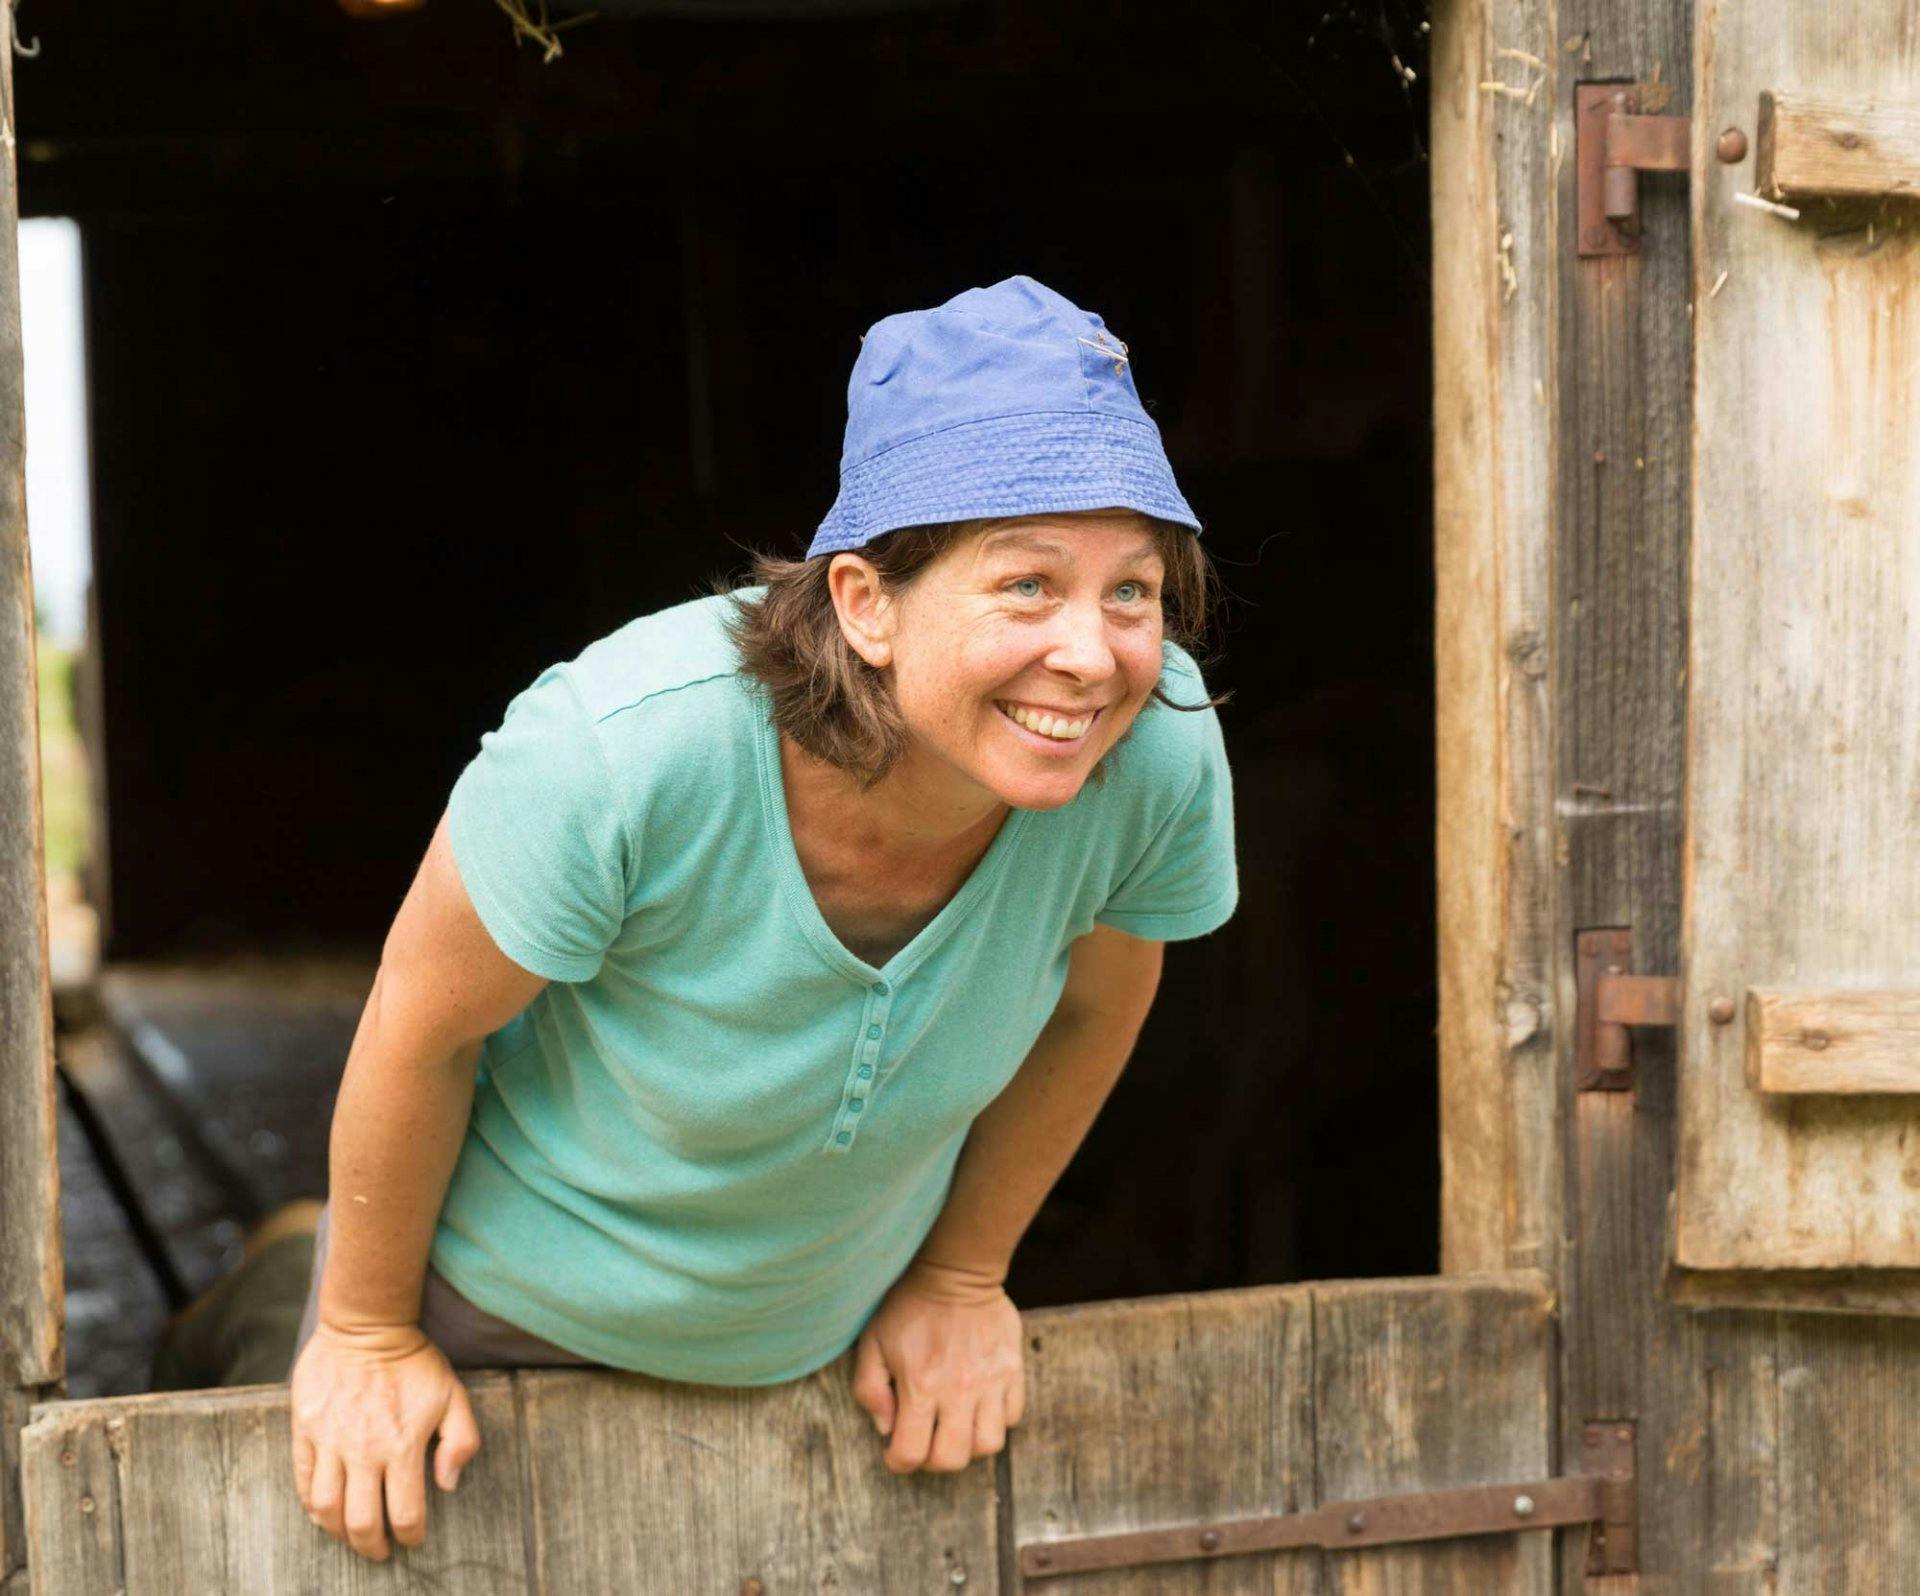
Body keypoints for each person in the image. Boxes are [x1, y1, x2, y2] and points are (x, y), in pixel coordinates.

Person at [285, 274, 1239, 1563]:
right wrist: (365, 1334)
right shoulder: (623, 752)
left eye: (1133, 590)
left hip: (829, 1347)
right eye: (1026, 584)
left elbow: (1095, 1005)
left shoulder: (1152, 751)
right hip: (491, 1324)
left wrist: (962, 1276)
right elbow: (420, 1026)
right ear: (866, 603)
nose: (1096, 651)